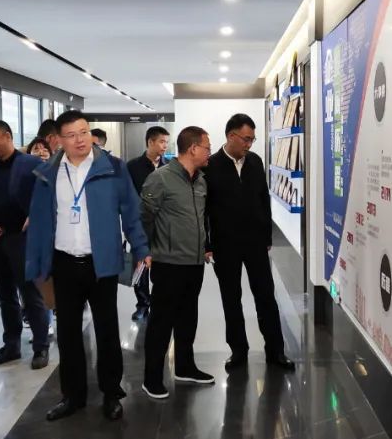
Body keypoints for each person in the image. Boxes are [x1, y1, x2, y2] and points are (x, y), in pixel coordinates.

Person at [26, 110, 149, 422]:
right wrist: (35, 262)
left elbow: (131, 212)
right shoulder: (47, 173)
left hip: (101, 262)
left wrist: (141, 248)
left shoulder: (113, 168)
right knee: (68, 333)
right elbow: (38, 221)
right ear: (58, 140)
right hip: (64, 262)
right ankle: (73, 395)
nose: (80, 140)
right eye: (71, 135)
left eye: (84, 132)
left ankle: (112, 393)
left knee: (107, 330)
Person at [205, 114, 295, 372]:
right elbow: (204, 209)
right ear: (231, 136)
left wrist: (267, 236)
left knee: (266, 295)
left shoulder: (255, 161)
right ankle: (238, 351)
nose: (249, 144)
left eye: (252, 139)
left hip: (255, 243)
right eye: (246, 139)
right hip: (225, 244)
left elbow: (263, 200)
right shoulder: (211, 166)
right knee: (231, 298)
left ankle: (276, 351)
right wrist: (206, 244)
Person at [140, 126, 214, 399]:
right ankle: (151, 378)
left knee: (187, 318)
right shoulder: (160, 179)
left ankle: (185, 367)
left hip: (194, 262)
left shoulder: (201, 181)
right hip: (168, 263)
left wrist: (205, 247)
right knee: (161, 322)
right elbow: (144, 218)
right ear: (193, 148)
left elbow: (201, 219)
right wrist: (147, 250)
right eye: (207, 147)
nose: (209, 152)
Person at [0, 120, 49, 370]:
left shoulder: (31, 163)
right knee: (5, 297)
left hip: (23, 239)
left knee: (30, 295)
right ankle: (11, 345)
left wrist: (34, 217)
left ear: (8, 136)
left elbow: (47, 194)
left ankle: (41, 346)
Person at [126, 126, 169, 321]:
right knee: (141, 267)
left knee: (162, 268)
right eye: (161, 141)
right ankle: (143, 304)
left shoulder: (169, 166)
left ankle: (160, 304)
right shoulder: (133, 166)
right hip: (140, 225)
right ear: (150, 142)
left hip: (164, 226)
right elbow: (128, 196)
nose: (165, 146)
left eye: (166, 142)